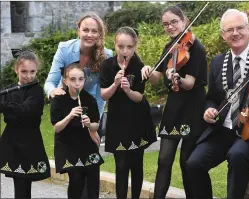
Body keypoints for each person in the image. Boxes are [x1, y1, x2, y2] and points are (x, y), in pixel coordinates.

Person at [186, 9, 249, 199]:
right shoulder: (217, 62)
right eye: (230, 30)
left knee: (236, 156)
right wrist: (209, 110)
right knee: (193, 164)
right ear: (223, 35)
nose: (235, 33)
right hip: (223, 129)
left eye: (240, 28)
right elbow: (212, 97)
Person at [141, 5, 208, 199]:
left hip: (192, 108)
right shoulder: (169, 47)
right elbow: (156, 78)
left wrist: (176, 77)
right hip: (174, 108)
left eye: (173, 22)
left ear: (184, 20)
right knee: (163, 159)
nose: (170, 27)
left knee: (186, 161)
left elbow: (189, 84)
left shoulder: (196, 47)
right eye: (165, 24)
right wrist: (147, 70)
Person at [100, 26, 157, 199]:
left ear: (135, 46)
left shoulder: (138, 66)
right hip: (117, 120)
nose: (125, 51)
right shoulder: (107, 66)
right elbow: (104, 95)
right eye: (120, 47)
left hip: (137, 119)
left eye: (129, 47)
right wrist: (115, 84)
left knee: (136, 164)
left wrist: (128, 90)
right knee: (121, 165)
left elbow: (139, 97)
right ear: (115, 45)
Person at [0, 50, 50, 199]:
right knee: (19, 182)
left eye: (32, 71)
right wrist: (8, 107)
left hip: (29, 142)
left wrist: (4, 105)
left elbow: (26, 111)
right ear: (16, 70)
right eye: (24, 71)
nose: (29, 76)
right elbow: (12, 115)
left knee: (25, 182)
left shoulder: (36, 91)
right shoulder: (8, 90)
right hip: (12, 142)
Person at [50, 62, 103, 199]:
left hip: (86, 144)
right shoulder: (58, 100)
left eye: (80, 79)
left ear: (84, 80)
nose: (77, 83)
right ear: (65, 81)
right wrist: (70, 116)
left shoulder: (89, 100)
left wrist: (90, 124)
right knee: (76, 179)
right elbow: (56, 127)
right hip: (67, 145)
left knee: (92, 180)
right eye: (72, 79)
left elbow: (96, 125)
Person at [44, 12, 113, 117]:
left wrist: (95, 119)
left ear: (99, 34)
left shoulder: (107, 55)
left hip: (90, 103)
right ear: (79, 31)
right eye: (85, 30)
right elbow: (50, 82)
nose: (89, 35)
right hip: (64, 102)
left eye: (94, 31)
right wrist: (52, 91)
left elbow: (101, 95)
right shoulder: (64, 49)